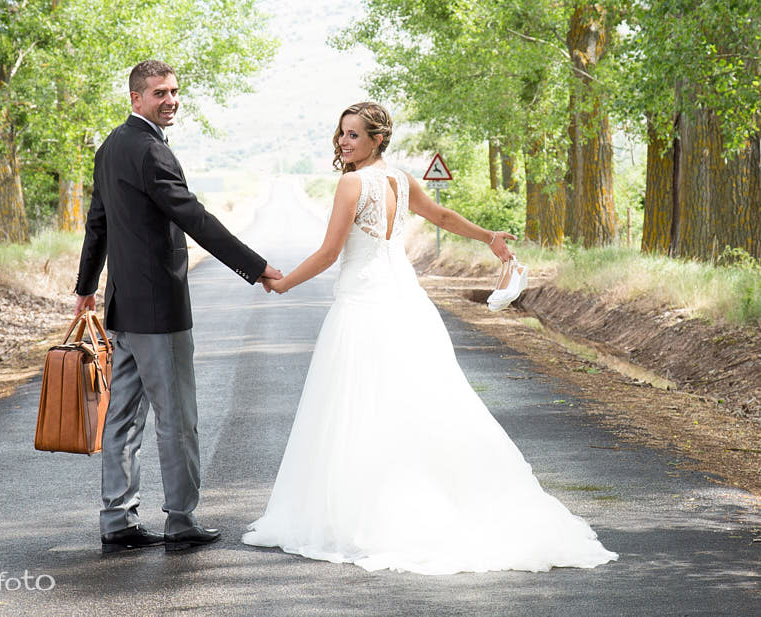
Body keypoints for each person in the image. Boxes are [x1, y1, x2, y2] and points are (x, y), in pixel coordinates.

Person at [241, 102, 618, 574]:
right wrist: (488, 237)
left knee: (360, 404)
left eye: (354, 135)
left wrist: (283, 283)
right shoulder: (399, 178)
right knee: (420, 399)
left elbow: (329, 252)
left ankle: (372, 511)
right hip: (404, 302)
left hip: (363, 306)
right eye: (341, 134)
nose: (343, 142)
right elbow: (440, 216)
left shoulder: (352, 183)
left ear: (377, 139)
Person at [75, 60, 282, 554]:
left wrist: (86, 287)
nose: (171, 100)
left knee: (122, 416)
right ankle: (182, 520)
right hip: (158, 312)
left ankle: (117, 520)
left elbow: (96, 224)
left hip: (122, 307)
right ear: (136, 100)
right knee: (177, 417)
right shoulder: (151, 151)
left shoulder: (109, 147)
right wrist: (256, 267)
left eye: (174, 91)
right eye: (159, 93)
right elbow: (194, 218)